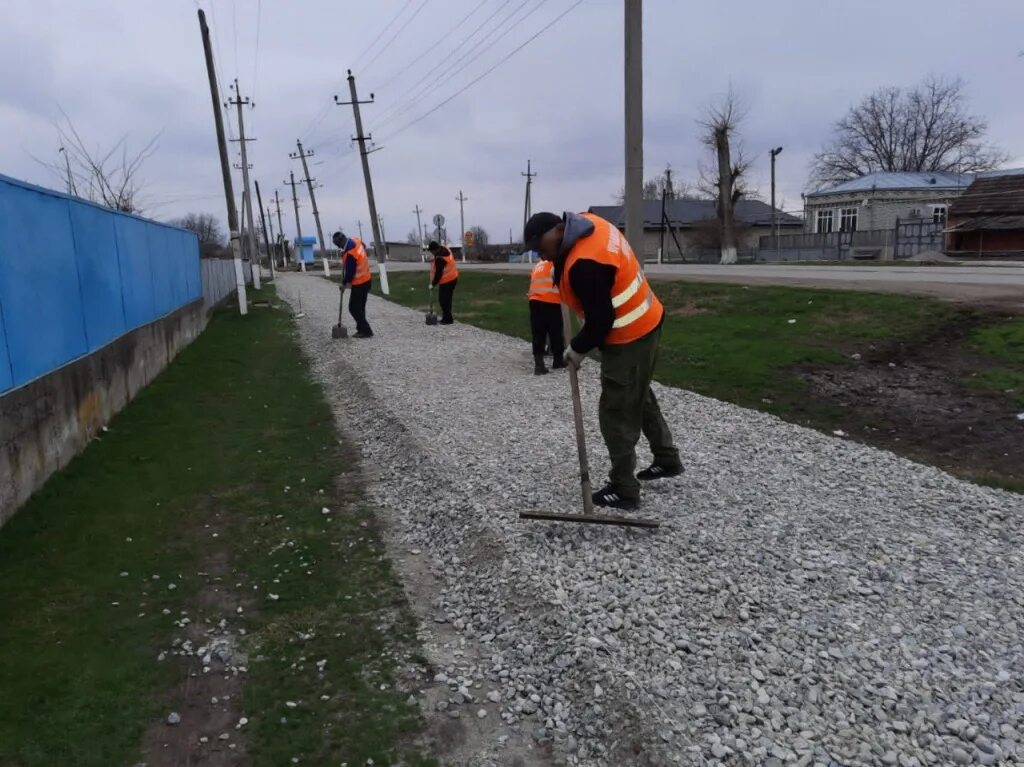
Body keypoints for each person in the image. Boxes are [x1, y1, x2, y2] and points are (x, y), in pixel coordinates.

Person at [523, 211, 683, 511]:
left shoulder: (584, 264)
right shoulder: (589, 223)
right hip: (648, 318)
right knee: (638, 394)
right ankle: (667, 458)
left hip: (630, 334)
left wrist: (578, 348)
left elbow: (601, 321)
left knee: (617, 410)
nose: (538, 253)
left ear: (559, 229)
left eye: (540, 245)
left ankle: (624, 489)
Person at [526, 254, 565, 375]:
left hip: (534, 301)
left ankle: (539, 365)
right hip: (551, 301)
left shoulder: (537, 266)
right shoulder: (556, 262)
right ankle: (558, 360)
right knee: (555, 332)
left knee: (538, 333)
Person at [332, 231, 373, 338]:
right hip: (367, 279)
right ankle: (361, 330)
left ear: (340, 243)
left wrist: (344, 284)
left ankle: (366, 330)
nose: (339, 247)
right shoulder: (356, 240)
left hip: (360, 283)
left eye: (338, 245)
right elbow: (363, 246)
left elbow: (350, 273)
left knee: (353, 308)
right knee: (360, 307)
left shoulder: (350, 254)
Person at [428, 240, 459, 324]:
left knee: (443, 300)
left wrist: (433, 284)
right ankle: (446, 318)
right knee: (447, 300)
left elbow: (438, 274)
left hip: (447, 281)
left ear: (435, 250)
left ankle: (448, 319)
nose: (432, 253)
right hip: (454, 277)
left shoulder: (440, 259)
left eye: (432, 251)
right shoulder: (445, 248)